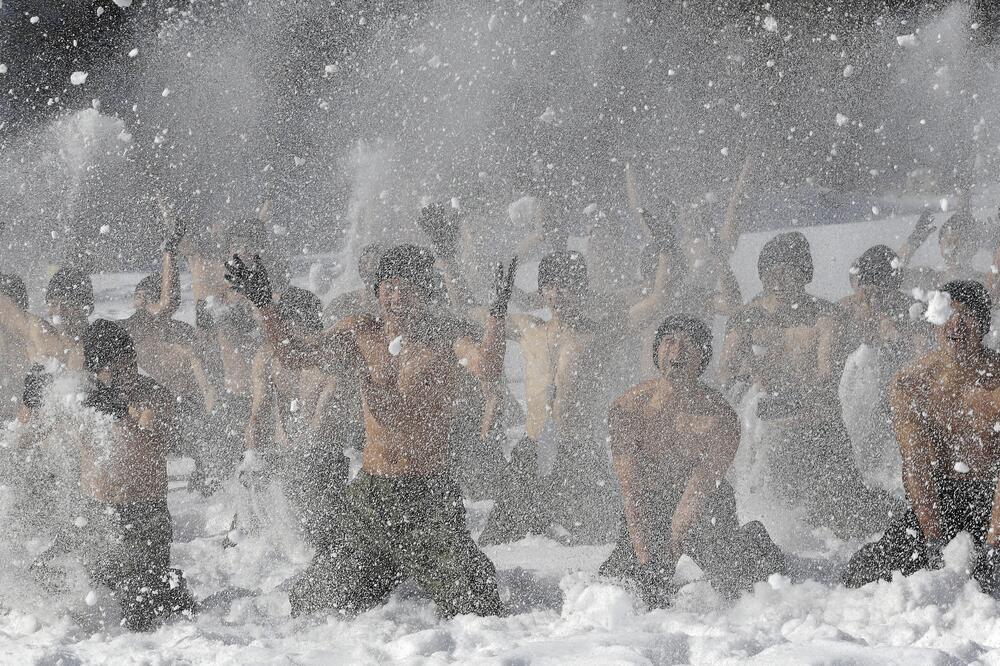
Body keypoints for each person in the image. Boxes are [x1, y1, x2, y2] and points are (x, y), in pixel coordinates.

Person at [224, 244, 514, 618]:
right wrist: (264, 303)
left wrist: (497, 314)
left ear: (425, 291)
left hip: (427, 493)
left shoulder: (445, 336)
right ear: (376, 290)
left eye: (407, 286)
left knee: (478, 604)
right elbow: (293, 354)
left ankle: (413, 564)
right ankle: (387, 565)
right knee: (316, 601)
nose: (396, 296)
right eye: (388, 286)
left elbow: (487, 367)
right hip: (372, 493)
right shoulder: (361, 332)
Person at [481, 247, 673, 544]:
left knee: (600, 538)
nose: (559, 293)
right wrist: (497, 304)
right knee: (499, 542)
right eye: (551, 286)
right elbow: (477, 317)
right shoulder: (529, 329)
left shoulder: (597, 333)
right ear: (543, 291)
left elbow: (657, 301)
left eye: (568, 285)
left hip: (578, 454)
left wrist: (665, 251)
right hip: (531, 451)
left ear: (582, 289)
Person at [721, 231, 897, 537]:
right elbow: (725, 372)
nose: (776, 278)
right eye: (769, 270)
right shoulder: (747, 318)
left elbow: (826, 372)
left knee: (851, 522)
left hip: (820, 430)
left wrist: (872, 318)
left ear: (804, 274)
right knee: (770, 518)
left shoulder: (824, 315)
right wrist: (750, 375)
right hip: (771, 430)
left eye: (786, 269)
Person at [600, 316, 783, 605]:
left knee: (734, 581)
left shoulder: (720, 419)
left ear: (703, 358)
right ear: (657, 352)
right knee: (615, 583)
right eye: (670, 342)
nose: (678, 351)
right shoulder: (628, 409)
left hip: (705, 506)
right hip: (649, 505)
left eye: (689, 344)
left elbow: (692, 503)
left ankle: (753, 539)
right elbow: (631, 495)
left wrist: (666, 565)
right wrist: (648, 564)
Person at [32, 320, 196, 630]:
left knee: (140, 610)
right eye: (116, 368)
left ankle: (168, 590)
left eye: (131, 364)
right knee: (52, 581)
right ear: (97, 371)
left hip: (145, 516)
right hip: (94, 515)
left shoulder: (152, 393)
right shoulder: (82, 397)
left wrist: (124, 410)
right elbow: (48, 429)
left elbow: (153, 425)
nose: (128, 374)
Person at [843, 281, 1000, 592]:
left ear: (983, 324)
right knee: (862, 574)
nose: (956, 324)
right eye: (948, 314)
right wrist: (932, 538)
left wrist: (995, 546)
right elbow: (915, 465)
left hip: (992, 495)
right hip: (944, 497)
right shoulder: (913, 383)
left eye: (967, 316)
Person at [241, 286, 349, 548]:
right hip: (282, 454)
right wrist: (252, 457)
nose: (302, 334)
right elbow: (258, 413)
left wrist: (295, 464)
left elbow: (321, 422)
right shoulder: (267, 356)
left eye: (309, 326)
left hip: (322, 458)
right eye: (291, 324)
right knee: (248, 539)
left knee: (322, 543)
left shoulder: (329, 360)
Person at [838, 245, 931, 494]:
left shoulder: (911, 310)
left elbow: (927, 356)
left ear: (894, 286)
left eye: (882, 292)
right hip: (858, 399)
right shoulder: (847, 310)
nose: (873, 299)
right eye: (868, 291)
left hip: (898, 399)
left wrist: (899, 334)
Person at [321, 242, 383, 326]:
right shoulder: (342, 302)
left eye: (374, 262)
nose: (369, 267)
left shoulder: (392, 306)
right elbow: (323, 324)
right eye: (365, 262)